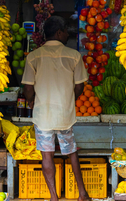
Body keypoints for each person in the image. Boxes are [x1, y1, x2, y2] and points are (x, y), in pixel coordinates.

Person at [21, 16, 90, 201]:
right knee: (71, 152)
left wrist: (31, 100)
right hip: (64, 115)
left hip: (43, 115)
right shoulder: (74, 56)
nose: (67, 34)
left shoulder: (34, 57)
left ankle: (53, 197)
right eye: (66, 30)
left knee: (47, 155)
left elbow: (28, 87)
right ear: (59, 33)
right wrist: (70, 99)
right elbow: (80, 86)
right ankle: (82, 194)